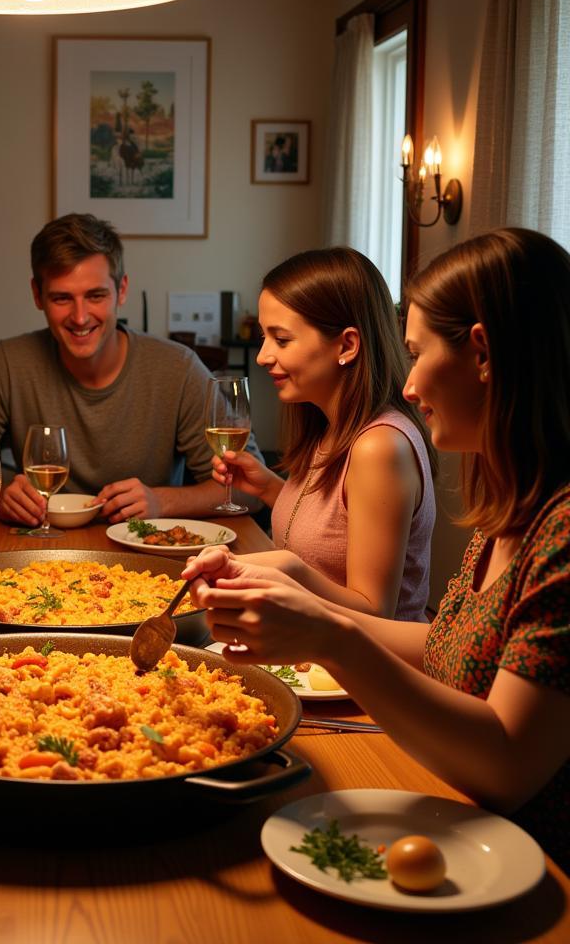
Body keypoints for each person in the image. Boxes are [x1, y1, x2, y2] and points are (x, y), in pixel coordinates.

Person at [186, 228, 570, 867]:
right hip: (458, 815)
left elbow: (510, 766)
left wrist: (329, 635)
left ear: (482, 354)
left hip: (529, 868)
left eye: (418, 354)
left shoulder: (561, 533)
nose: (410, 384)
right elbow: (443, 642)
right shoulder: (511, 512)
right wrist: (306, 618)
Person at [0, 212, 263, 526]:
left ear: (122, 290)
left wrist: (161, 501)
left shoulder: (178, 369)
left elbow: (250, 490)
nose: (80, 317)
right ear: (37, 295)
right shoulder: (6, 364)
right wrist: (1, 493)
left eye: (96, 296)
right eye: (62, 298)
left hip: (144, 552)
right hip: (37, 549)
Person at [212, 247, 436, 619]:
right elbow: (335, 531)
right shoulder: (330, 427)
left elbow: (373, 611)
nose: (263, 356)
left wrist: (285, 570)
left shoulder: (379, 447)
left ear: (346, 345)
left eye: (281, 339)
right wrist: (269, 487)